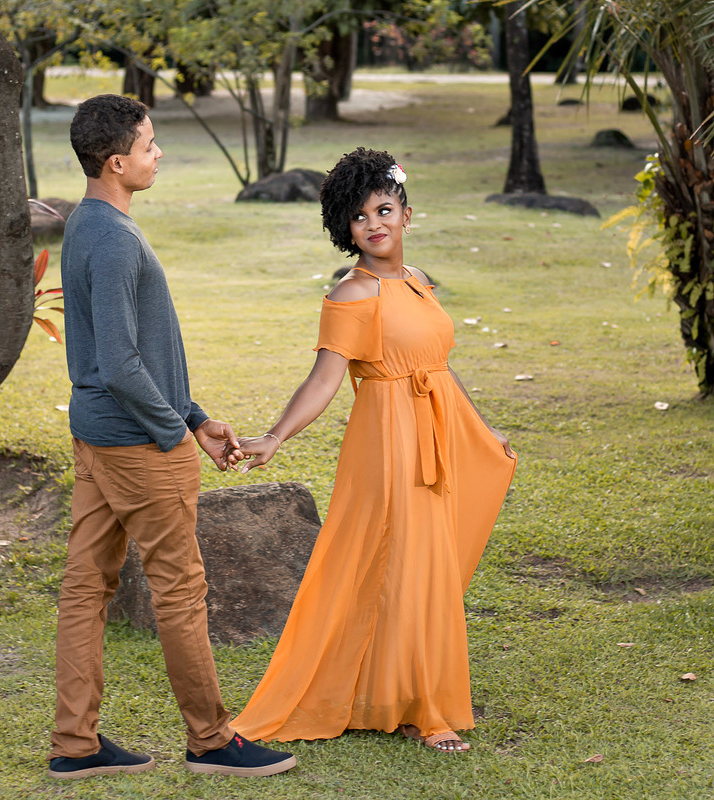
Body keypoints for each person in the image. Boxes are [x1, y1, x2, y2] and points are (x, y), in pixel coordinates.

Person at [230, 147, 517, 753]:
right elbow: (324, 379)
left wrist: (482, 430)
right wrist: (275, 437)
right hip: (387, 439)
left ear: (407, 214)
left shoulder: (416, 282)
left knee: (425, 568)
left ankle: (402, 695)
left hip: (433, 431)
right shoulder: (353, 294)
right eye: (360, 218)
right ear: (346, 229)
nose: (375, 225)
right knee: (403, 565)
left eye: (384, 210)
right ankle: (425, 711)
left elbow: (439, 367)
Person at [48, 94, 297, 780]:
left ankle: (76, 745)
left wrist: (193, 415)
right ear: (116, 161)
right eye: (150, 146)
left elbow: (132, 354)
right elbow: (121, 363)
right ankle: (212, 740)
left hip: (102, 437)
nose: (159, 155)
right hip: (133, 444)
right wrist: (172, 434)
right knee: (182, 591)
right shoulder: (112, 237)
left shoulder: (89, 224)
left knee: (85, 588)